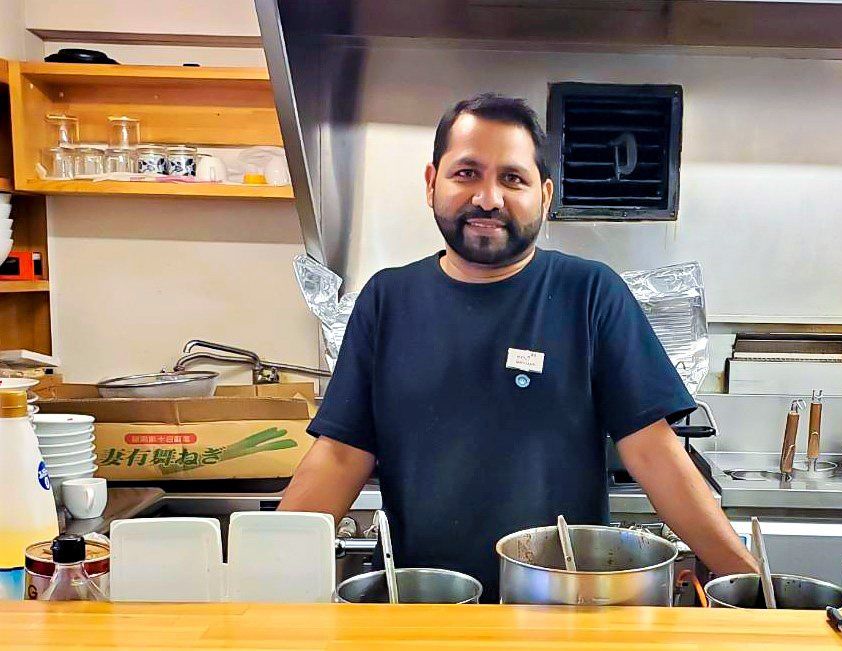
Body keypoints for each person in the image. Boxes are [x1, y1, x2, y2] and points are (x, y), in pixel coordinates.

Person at [280, 93, 757, 602]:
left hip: (561, 608)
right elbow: (340, 456)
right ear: (431, 183)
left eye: (512, 178)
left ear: (544, 195)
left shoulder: (590, 294)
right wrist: (263, 572)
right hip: (420, 606)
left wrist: (755, 590)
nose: (488, 198)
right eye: (467, 173)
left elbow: (655, 454)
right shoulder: (386, 299)